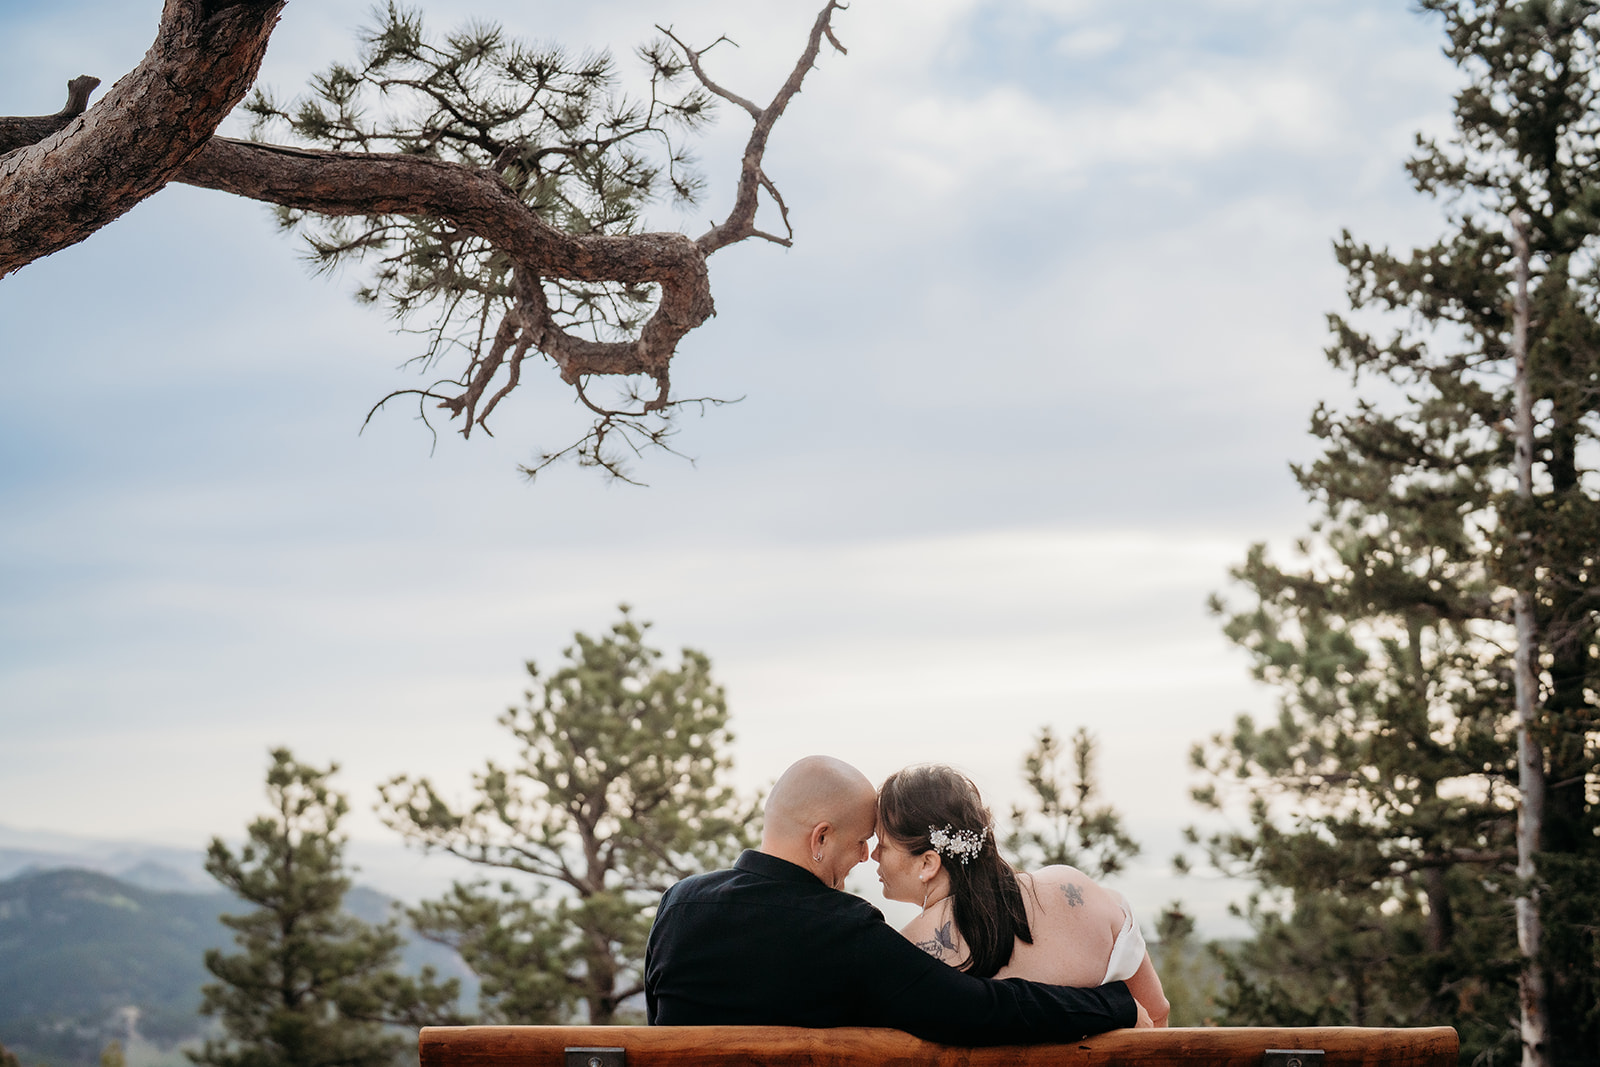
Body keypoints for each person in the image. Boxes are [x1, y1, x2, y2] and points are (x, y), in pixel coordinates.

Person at [644, 755, 1147, 1043]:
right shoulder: (843, 929)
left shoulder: (678, 906)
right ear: (820, 839)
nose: (865, 856)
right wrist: (1113, 1005)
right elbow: (980, 1010)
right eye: (862, 840)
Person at [873, 764, 1170, 1026]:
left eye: (883, 846)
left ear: (927, 863)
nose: (873, 855)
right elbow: (1156, 1013)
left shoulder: (907, 951)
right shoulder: (1074, 888)